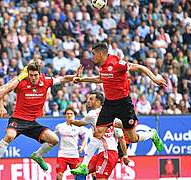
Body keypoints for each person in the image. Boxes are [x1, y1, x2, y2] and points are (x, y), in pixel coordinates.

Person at [71, 43, 166, 175]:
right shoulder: (102, 67)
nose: (92, 58)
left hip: (124, 104)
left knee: (132, 138)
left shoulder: (116, 63)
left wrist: (154, 78)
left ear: (100, 54)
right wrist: (82, 79)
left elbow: (139, 67)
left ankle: (152, 134)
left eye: (93, 54)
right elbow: (101, 79)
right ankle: (84, 165)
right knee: (98, 133)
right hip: (109, 104)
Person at [0, 61, 83, 177]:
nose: (33, 78)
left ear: (39, 74)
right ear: (27, 74)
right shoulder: (20, 83)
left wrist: (74, 77)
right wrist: (1, 107)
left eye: (36, 75)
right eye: (31, 75)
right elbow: (3, 91)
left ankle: (37, 155)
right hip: (17, 120)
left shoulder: (45, 81)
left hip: (32, 122)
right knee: (9, 136)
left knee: (54, 140)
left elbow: (63, 79)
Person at [68, 91, 129, 179]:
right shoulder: (112, 116)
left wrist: (71, 121)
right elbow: (121, 137)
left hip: (108, 153)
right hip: (105, 153)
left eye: (91, 99)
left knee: (99, 177)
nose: (88, 101)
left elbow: (80, 123)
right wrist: (125, 155)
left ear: (98, 102)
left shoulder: (92, 114)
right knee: (80, 172)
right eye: (88, 99)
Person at [54, 107, 86, 180]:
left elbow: (84, 138)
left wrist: (82, 147)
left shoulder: (78, 127)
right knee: (59, 174)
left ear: (74, 115)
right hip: (62, 154)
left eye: (71, 114)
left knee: (77, 176)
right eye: (67, 114)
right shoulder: (59, 126)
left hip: (74, 154)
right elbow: (52, 136)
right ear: (65, 115)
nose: (69, 115)